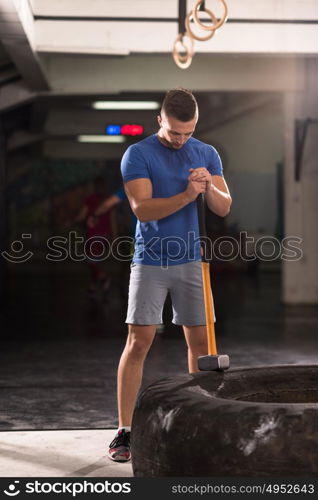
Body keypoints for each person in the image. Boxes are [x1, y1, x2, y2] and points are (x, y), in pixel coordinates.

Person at [107, 88, 232, 462]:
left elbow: (224, 207)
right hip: (150, 261)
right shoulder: (139, 154)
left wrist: (208, 185)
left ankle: (202, 422)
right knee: (139, 342)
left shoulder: (206, 153)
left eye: (188, 132)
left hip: (191, 260)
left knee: (201, 346)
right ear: (160, 120)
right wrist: (186, 193)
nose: (181, 139)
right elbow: (143, 209)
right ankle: (125, 432)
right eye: (175, 132)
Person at [71, 176, 114, 299]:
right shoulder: (108, 200)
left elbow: (81, 215)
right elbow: (112, 220)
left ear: (95, 187)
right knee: (95, 261)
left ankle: (104, 278)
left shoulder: (90, 200)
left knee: (91, 261)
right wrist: (114, 236)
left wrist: (71, 221)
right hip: (104, 236)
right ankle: (93, 286)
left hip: (94, 236)